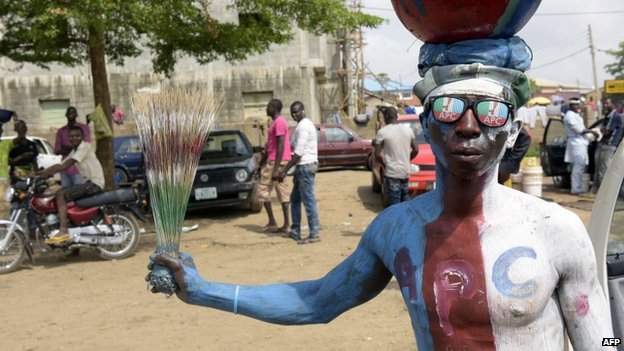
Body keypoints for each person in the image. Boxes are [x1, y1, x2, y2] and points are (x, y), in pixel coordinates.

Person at [147, 63, 614, 349]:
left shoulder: (556, 229)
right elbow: (316, 301)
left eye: (491, 112)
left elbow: (604, 342)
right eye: (450, 108)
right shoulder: (395, 229)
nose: (469, 126)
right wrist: (204, 290)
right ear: (426, 126)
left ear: (512, 132)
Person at [38, 126, 104, 246]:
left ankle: (63, 230)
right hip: (88, 183)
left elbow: (65, 165)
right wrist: (41, 173)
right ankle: (73, 247)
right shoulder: (75, 151)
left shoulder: (85, 147)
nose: (74, 138)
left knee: (60, 194)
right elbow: (60, 164)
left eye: (77, 136)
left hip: (94, 184)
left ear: (82, 137)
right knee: (67, 204)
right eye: (71, 136)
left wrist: (47, 173)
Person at [277, 101, 320, 244]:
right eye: (292, 113)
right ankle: (295, 231)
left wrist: (284, 170)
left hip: (305, 167)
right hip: (302, 167)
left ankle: (314, 234)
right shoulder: (303, 125)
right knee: (295, 199)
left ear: (303, 110)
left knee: (308, 201)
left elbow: (299, 153)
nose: (295, 115)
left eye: (297, 112)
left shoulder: (303, 126)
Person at [257, 99, 292, 234]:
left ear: (274, 107)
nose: (266, 108)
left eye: (268, 106)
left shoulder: (279, 122)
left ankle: (274, 222)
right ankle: (286, 225)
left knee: (263, 191)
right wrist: (261, 163)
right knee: (282, 192)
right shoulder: (275, 123)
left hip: (276, 162)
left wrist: (276, 168)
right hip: (273, 161)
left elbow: (281, 145)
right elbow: (270, 147)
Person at [374, 106, 418, 206]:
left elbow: (377, 155)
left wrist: (384, 165)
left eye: (384, 117)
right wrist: (407, 160)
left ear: (387, 117)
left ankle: (397, 220)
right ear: (396, 116)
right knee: (405, 195)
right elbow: (416, 150)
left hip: (392, 173)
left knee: (394, 202)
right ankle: (407, 218)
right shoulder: (408, 130)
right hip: (405, 171)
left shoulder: (382, 132)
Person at [563, 98, 598, 195]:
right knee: (579, 166)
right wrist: (592, 132)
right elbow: (578, 130)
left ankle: (578, 187)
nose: (577, 107)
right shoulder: (569, 116)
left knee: (580, 165)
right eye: (575, 105)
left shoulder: (575, 115)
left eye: (578, 105)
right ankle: (576, 188)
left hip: (580, 142)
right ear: (570, 106)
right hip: (576, 142)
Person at [55, 106, 91, 188]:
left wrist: (66, 148)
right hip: (65, 170)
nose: (71, 114)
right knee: (67, 195)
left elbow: (84, 147)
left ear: (76, 115)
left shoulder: (84, 128)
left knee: (79, 194)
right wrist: (74, 149)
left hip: (79, 169)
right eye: (69, 112)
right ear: (66, 115)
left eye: (73, 112)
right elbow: (57, 150)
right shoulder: (61, 131)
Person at [592, 98, 616, 193]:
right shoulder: (608, 115)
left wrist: (602, 130)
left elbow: (607, 131)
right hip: (604, 144)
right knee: (599, 168)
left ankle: (605, 192)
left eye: (607, 103)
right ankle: (596, 189)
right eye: (604, 103)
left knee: (604, 169)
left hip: (609, 145)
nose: (605, 105)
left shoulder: (615, 116)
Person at [8, 120, 38, 184]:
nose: (23, 128)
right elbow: (9, 162)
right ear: (16, 129)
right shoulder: (12, 145)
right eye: (20, 127)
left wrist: (37, 173)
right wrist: (22, 157)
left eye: (24, 126)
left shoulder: (32, 144)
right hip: (16, 176)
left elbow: (34, 161)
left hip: (29, 174)